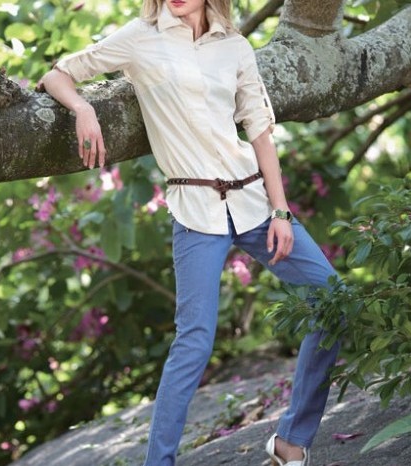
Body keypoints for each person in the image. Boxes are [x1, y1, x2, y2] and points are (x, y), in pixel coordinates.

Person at [38, 1, 341, 464]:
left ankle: (292, 440)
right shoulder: (140, 37)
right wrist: (82, 108)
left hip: (255, 202)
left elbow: (260, 130)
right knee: (194, 342)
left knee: (333, 301)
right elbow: (58, 74)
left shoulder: (235, 46)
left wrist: (281, 211)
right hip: (196, 211)